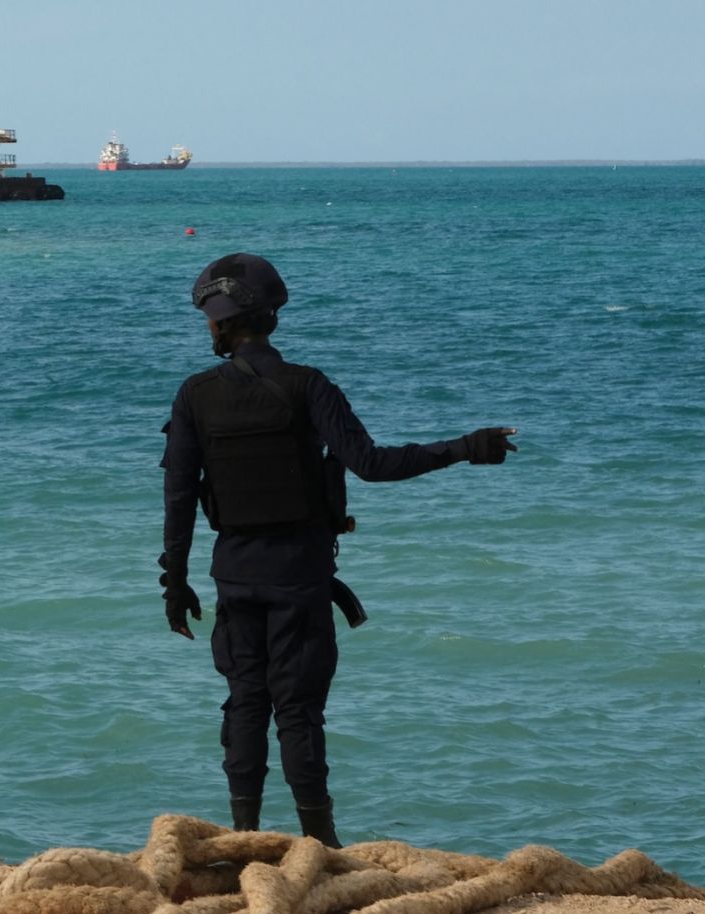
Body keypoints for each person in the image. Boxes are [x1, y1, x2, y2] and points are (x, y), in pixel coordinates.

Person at [158, 253, 517, 848]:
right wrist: (466, 447)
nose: (207, 327)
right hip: (298, 577)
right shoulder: (308, 386)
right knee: (297, 712)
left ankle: (243, 840)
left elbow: (178, 498)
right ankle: (320, 849)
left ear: (225, 324)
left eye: (211, 318)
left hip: (235, 577)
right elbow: (372, 465)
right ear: (269, 318)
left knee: (245, 703)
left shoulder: (194, 394)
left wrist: (176, 584)